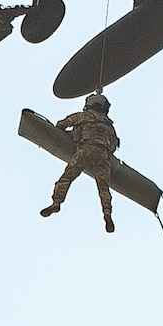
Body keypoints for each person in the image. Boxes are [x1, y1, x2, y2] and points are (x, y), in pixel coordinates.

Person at [41, 92, 119, 232]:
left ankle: (57, 202)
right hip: (103, 155)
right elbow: (113, 146)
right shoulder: (110, 126)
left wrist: (70, 134)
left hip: (85, 150)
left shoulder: (83, 116)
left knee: (67, 177)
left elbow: (62, 124)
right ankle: (107, 213)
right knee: (103, 187)